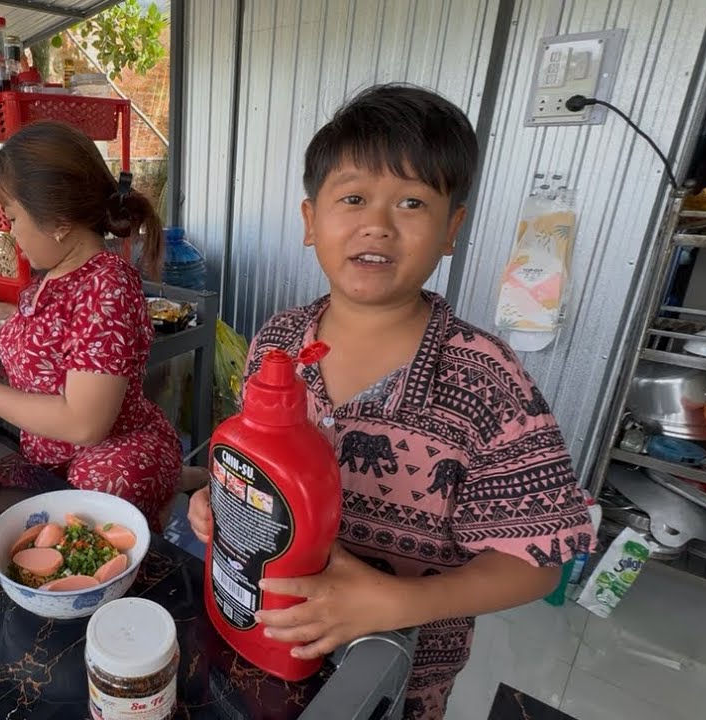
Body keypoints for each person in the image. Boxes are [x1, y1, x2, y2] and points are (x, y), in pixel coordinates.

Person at [187, 85, 594, 718]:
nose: (377, 223)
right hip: (255, 632)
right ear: (309, 219)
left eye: (411, 202)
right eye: (352, 198)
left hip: (395, 675)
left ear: (451, 229)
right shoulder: (278, 344)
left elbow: (539, 559)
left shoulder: (486, 381)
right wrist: (221, 501)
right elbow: (251, 464)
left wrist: (392, 604)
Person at [0, 122, 181, 531]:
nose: (11, 232)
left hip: (110, 451)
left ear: (59, 220)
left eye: (12, 217)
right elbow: (63, 334)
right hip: (50, 452)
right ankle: (181, 479)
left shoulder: (107, 284)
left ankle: (169, 480)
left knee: (94, 496)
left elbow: (85, 424)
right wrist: (12, 317)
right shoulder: (53, 274)